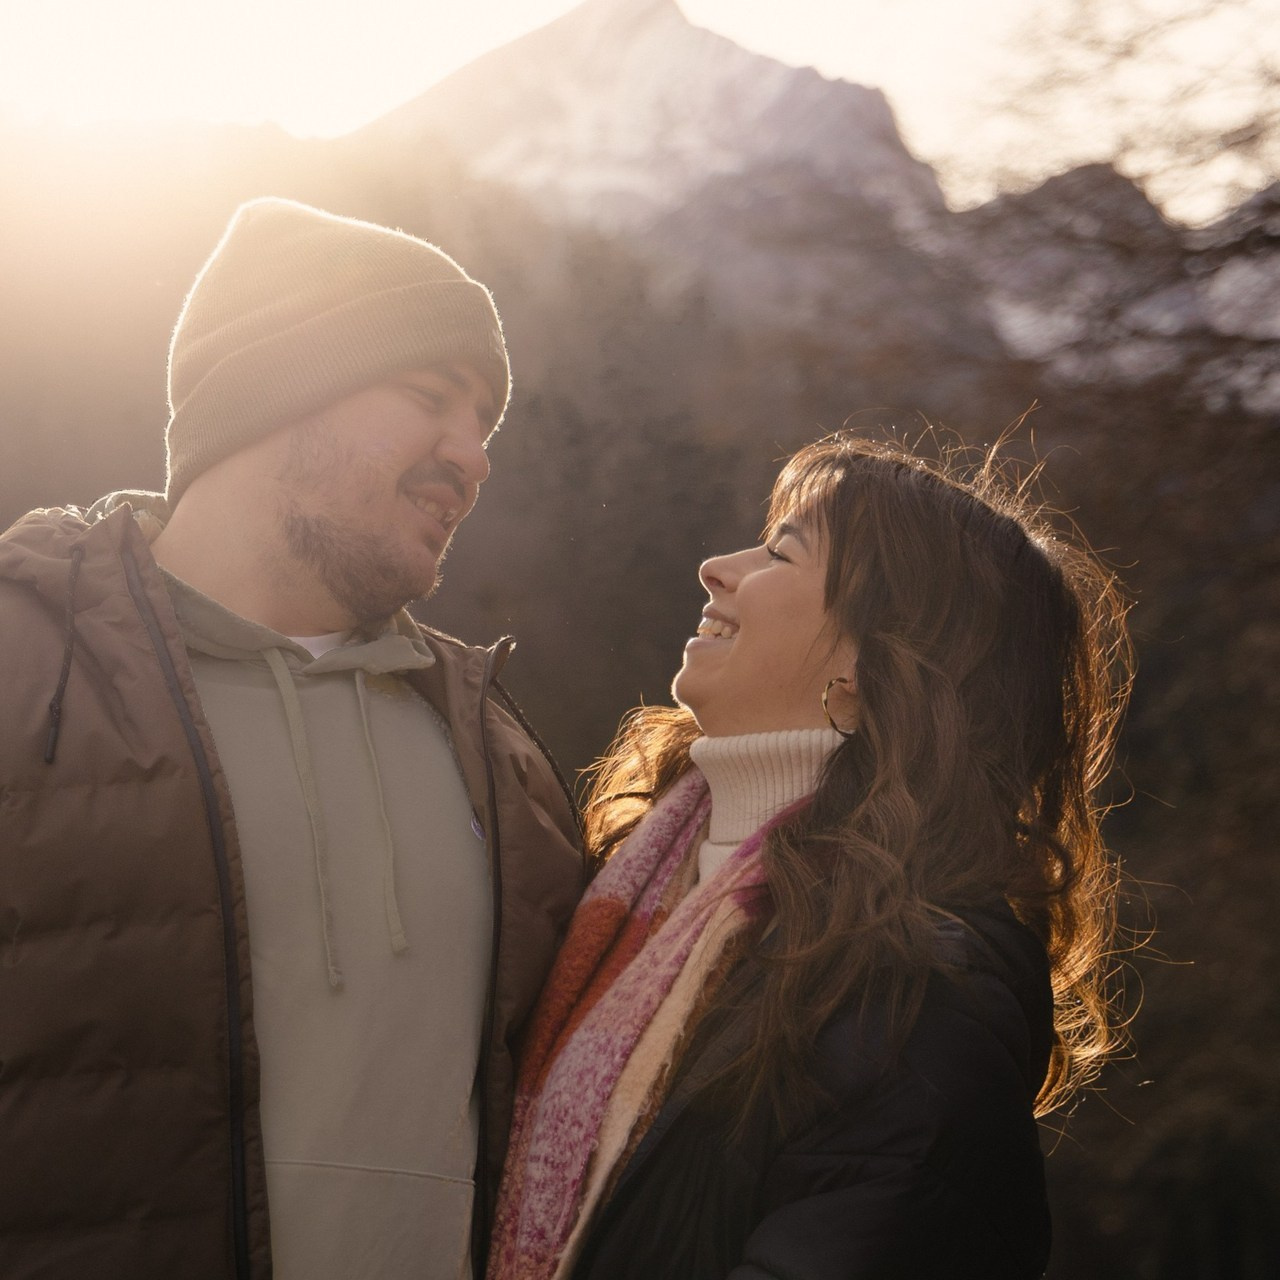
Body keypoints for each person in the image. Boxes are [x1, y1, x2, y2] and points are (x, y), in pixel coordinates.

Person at [0, 197, 584, 1280]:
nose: (472, 457)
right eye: (430, 399)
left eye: (485, 426)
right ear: (278, 391)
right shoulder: (22, 671)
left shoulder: (500, 754)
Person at [490, 433, 1133, 1280]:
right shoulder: (618, 877)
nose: (717, 566)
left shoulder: (920, 998)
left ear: (872, 664)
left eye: (779, 553)